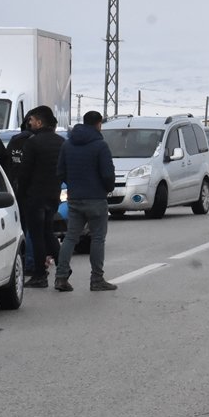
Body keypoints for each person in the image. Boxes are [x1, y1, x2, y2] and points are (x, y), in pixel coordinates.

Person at [55, 110, 116, 292]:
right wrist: (107, 188)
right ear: (98, 124)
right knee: (97, 238)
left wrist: (73, 184)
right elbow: (107, 174)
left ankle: (61, 277)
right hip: (96, 198)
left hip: (75, 198)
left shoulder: (68, 145)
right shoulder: (100, 145)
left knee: (70, 237)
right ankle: (97, 279)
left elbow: (60, 171)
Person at [21, 106, 65, 289]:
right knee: (48, 232)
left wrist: (22, 193)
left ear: (39, 122)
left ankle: (40, 275)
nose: (29, 123)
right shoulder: (61, 142)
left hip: (35, 196)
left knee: (37, 235)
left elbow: (25, 172)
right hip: (53, 194)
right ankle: (64, 267)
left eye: (31, 120)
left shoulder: (33, 143)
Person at [7, 113, 37, 274]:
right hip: (32, 191)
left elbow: (7, 164)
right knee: (32, 229)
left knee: (20, 228)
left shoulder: (14, 141)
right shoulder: (36, 142)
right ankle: (31, 263)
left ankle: (18, 261)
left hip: (15, 190)